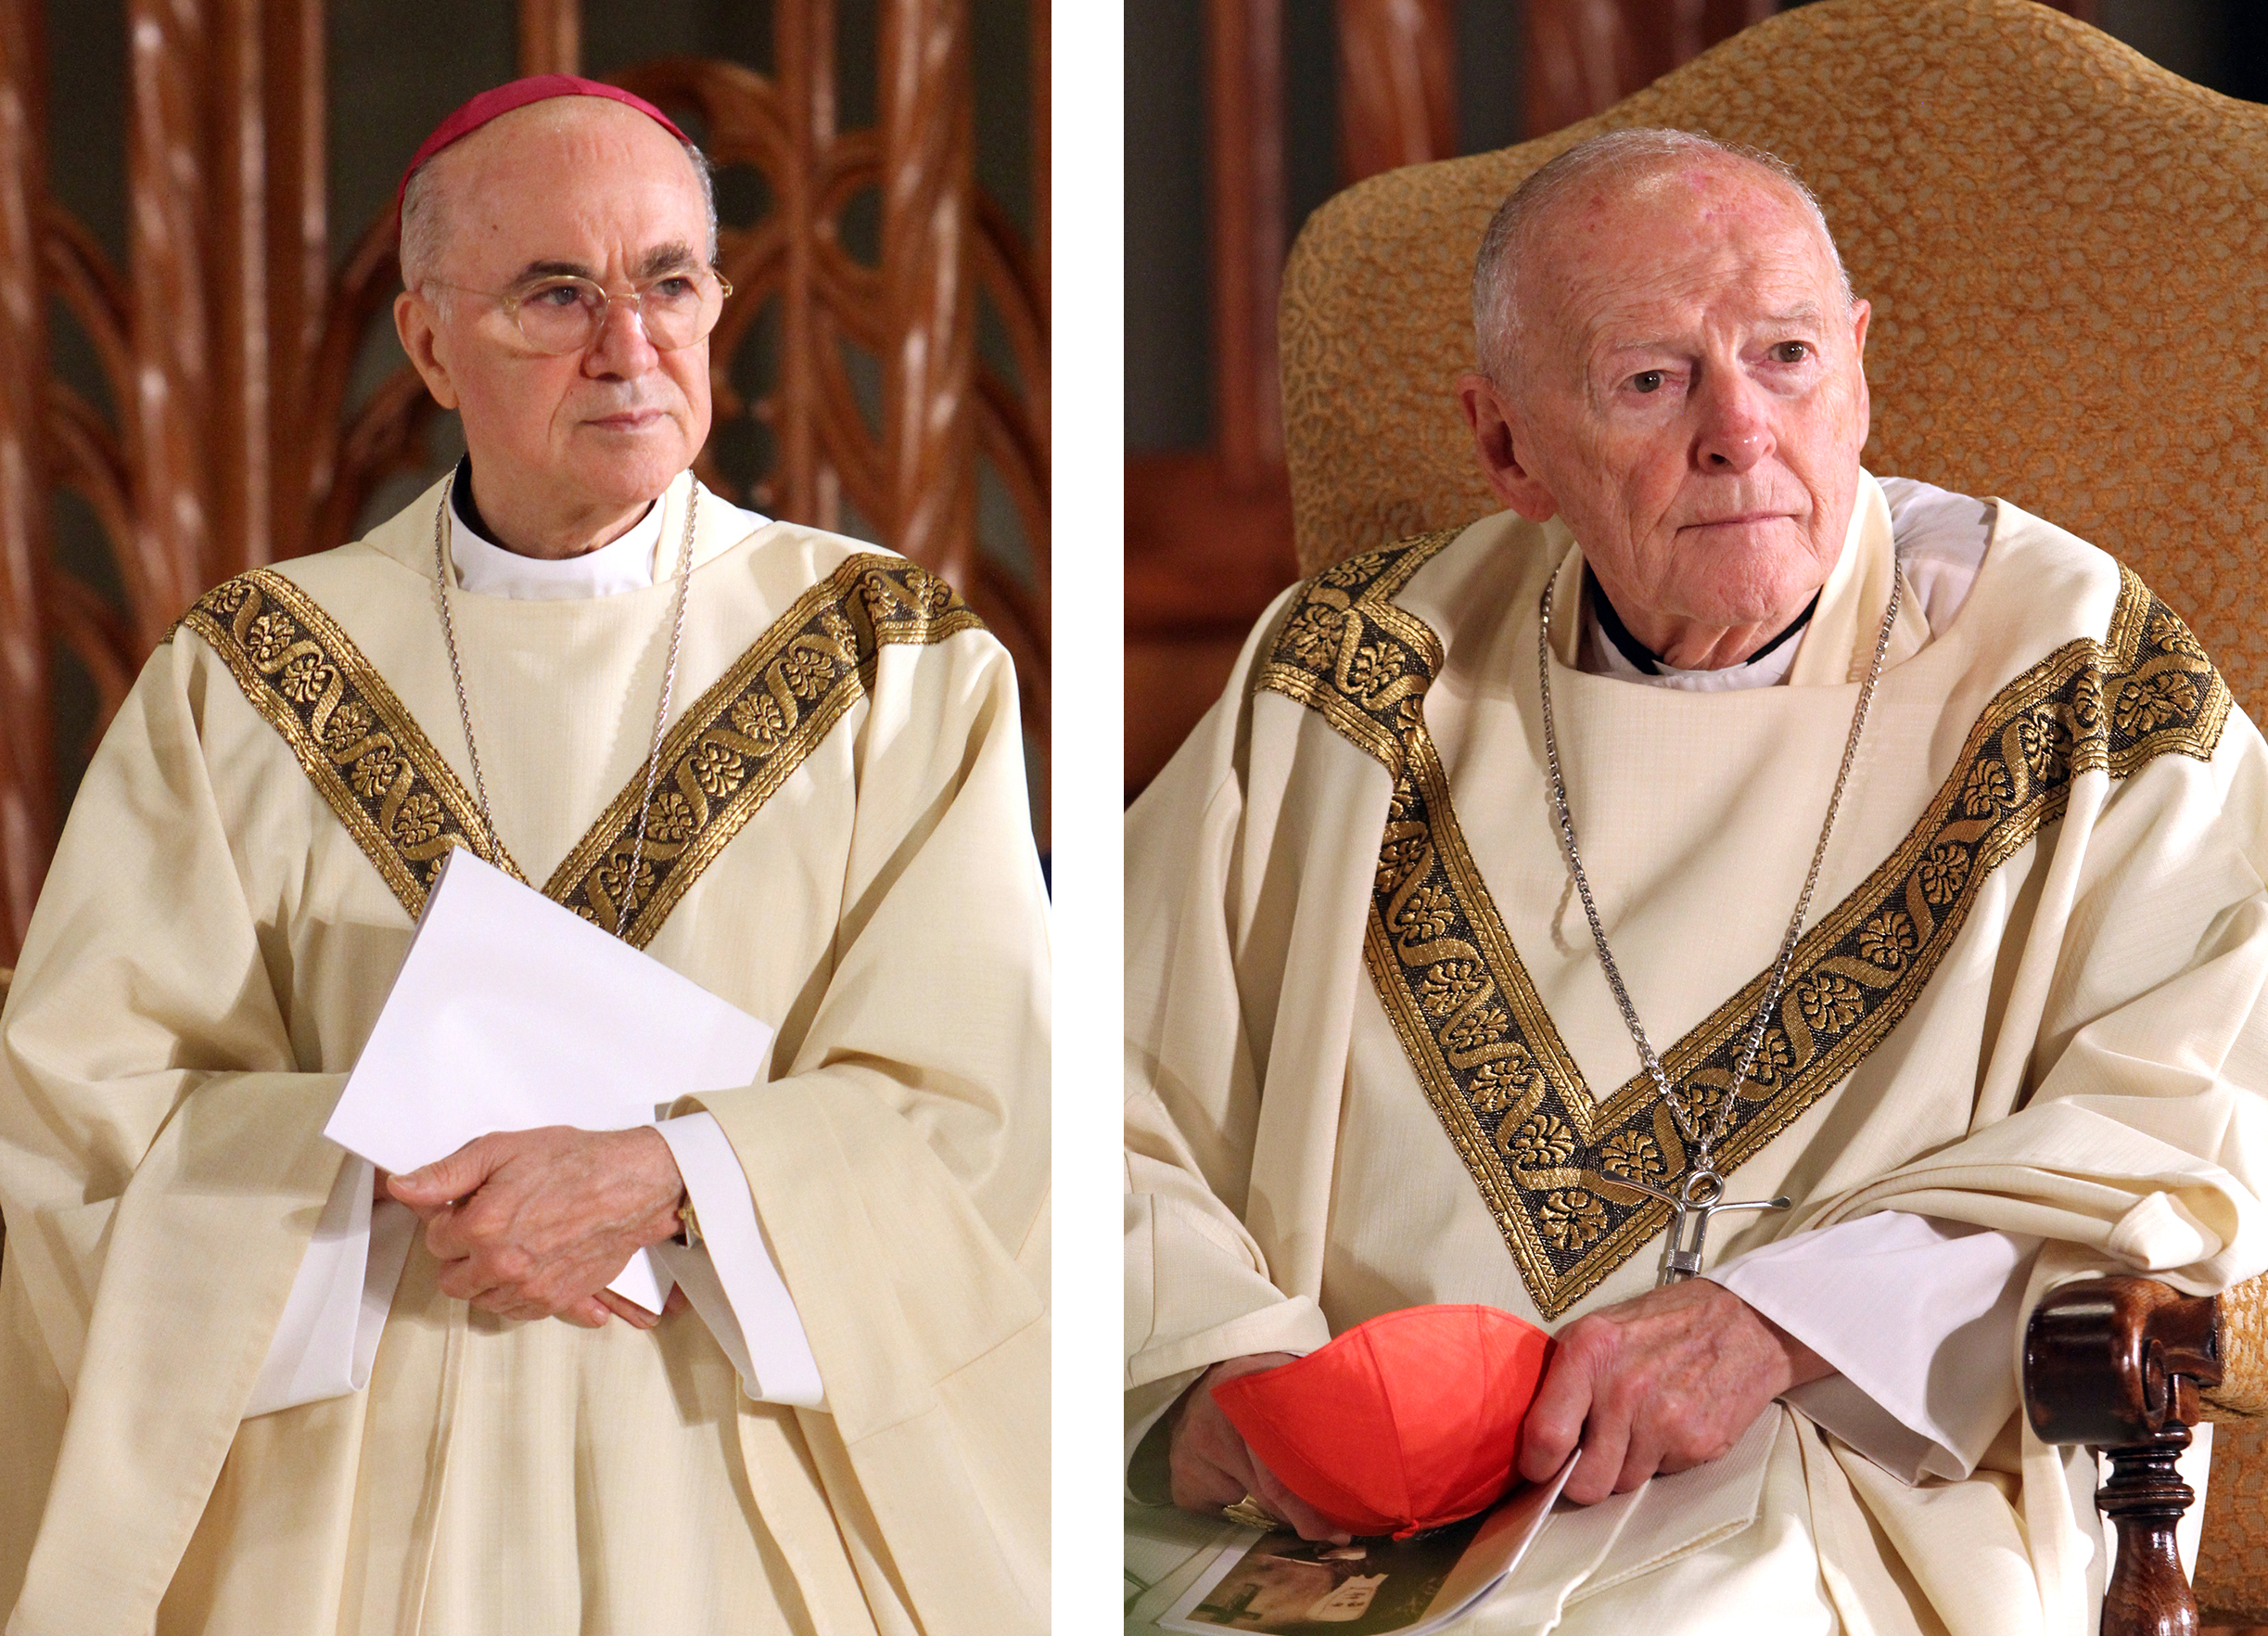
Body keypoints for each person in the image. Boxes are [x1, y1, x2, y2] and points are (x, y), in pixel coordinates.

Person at [1125, 127, 2268, 1632]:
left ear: (1858, 367)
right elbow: (1091, 1079)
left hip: (1819, 1480)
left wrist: (1773, 1325)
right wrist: (1209, 1373)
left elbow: (2193, 1122)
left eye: (1786, 356)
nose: (1739, 429)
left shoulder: (2074, 677)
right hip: (1334, 1515)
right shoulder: (1352, 671)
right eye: (1650, 381)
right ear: (1506, 447)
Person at [0, 77, 1048, 1636]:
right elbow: (80, 1128)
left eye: (669, 281)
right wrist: (378, 1172)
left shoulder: (889, 658)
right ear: (427, 344)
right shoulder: (253, 672)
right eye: (555, 294)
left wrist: (672, 1175)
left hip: (748, 1502)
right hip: (348, 1513)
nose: (628, 345)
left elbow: (986, 1117)